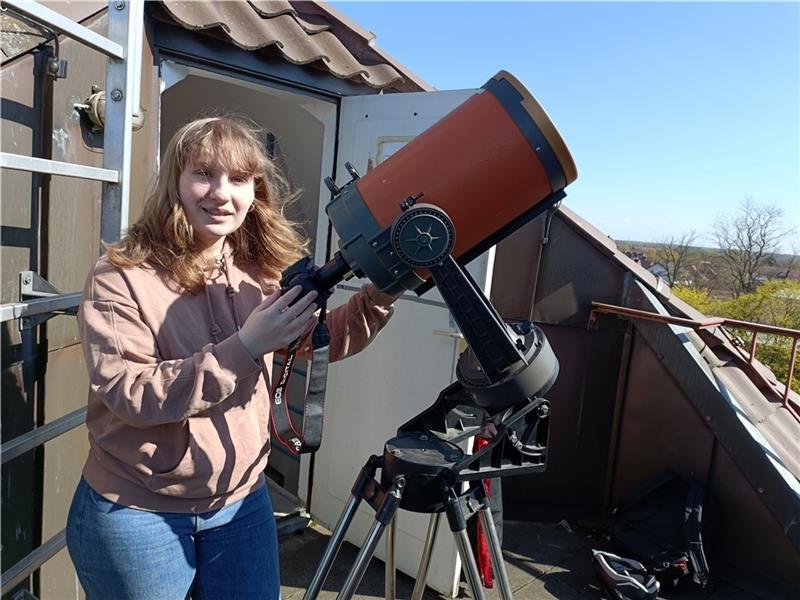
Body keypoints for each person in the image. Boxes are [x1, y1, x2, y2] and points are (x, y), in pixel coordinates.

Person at [66, 116, 396, 600]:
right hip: (138, 513)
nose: (222, 193)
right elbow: (129, 392)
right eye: (203, 173)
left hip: (241, 504)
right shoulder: (121, 275)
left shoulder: (262, 271)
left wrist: (383, 291)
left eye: (239, 179)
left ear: (255, 190)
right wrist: (244, 348)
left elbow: (322, 339)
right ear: (174, 181)